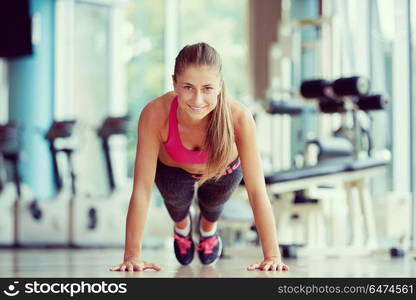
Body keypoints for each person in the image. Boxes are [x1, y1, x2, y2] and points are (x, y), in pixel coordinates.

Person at [110, 42, 289, 272]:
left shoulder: (240, 118)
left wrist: (272, 255)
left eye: (207, 88)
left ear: (220, 86)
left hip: (222, 171)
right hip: (173, 169)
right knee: (177, 204)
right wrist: (132, 256)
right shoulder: (155, 114)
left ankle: (207, 228)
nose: (196, 100)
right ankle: (182, 226)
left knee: (212, 206)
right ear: (174, 83)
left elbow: (256, 191)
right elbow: (142, 190)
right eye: (187, 87)